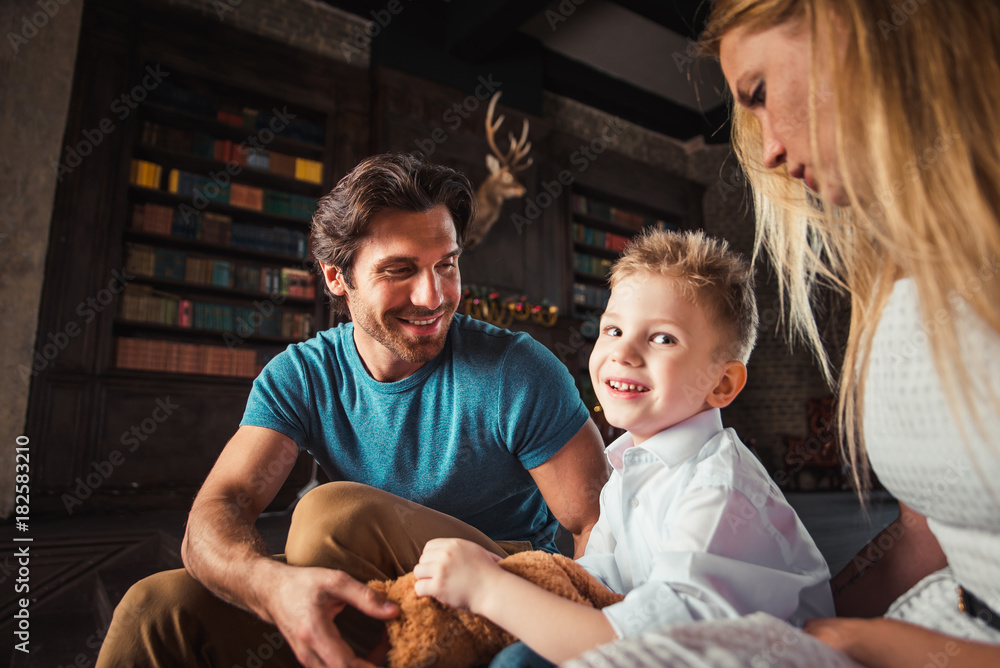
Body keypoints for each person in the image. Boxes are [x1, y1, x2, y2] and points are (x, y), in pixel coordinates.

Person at [566, 1, 1000, 666]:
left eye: (761, 93)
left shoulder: (717, 485)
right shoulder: (905, 279)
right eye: (614, 328)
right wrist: (801, 634)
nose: (767, 149)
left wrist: (888, 646)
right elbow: (927, 535)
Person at [96, 153, 610, 668]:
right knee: (154, 609)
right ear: (337, 277)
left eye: (446, 264)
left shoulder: (515, 369)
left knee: (327, 516)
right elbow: (218, 509)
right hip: (376, 595)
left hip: (497, 597)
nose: (433, 296)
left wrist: (564, 648)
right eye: (400, 270)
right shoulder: (301, 374)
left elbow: (600, 525)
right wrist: (271, 586)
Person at [413, 228, 834, 666]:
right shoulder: (629, 467)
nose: (624, 353)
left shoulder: (719, 491)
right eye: (612, 329)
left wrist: (487, 589)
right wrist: (512, 579)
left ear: (722, 384)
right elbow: (597, 580)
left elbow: (641, 652)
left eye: (663, 338)